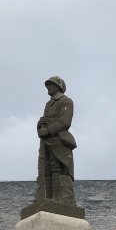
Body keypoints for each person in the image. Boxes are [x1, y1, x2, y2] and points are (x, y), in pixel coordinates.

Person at [35, 76, 76, 204]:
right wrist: (39, 125)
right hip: (46, 141)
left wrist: (47, 130)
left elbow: (65, 122)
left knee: (57, 168)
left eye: (51, 85)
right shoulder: (48, 104)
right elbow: (45, 122)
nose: (48, 87)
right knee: (47, 169)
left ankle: (59, 198)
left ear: (58, 87)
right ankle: (49, 196)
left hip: (58, 140)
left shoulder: (66, 101)